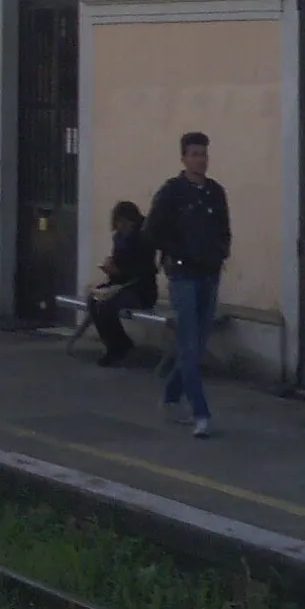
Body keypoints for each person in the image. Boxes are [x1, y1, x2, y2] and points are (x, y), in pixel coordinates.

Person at [144, 131, 231, 438]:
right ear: (183, 158)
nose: (200, 160)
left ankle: (170, 396)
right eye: (194, 155)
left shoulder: (215, 193)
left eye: (204, 154)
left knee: (199, 343)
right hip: (182, 275)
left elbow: (224, 229)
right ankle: (200, 413)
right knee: (190, 344)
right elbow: (151, 230)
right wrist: (177, 252)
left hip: (209, 273)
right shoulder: (172, 192)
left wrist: (221, 253)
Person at [89, 199, 158, 367]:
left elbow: (143, 270)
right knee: (93, 300)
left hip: (140, 290)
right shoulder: (119, 238)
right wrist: (111, 265)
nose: (120, 226)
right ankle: (118, 342)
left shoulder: (143, 239)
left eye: (123, 222)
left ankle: (116, 348)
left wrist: (119, 271)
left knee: (107, 307)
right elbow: (120, 262)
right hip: (120, 284)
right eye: (118, 223)